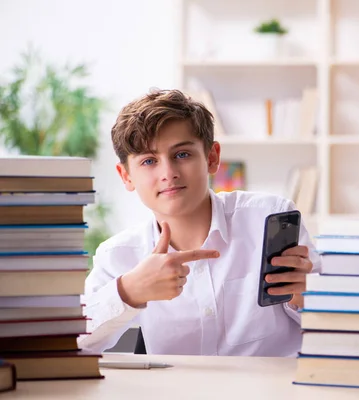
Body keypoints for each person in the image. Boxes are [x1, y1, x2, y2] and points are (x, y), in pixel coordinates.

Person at [79, 89, 320, 356]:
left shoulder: (269, 219)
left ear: (212, 158)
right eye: (149, 161)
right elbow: (71, 342)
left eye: (182, 155)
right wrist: (128, 291)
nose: (168, 173)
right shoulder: (119, 255)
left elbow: (341, 331)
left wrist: (307, 296)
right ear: (126, 176)